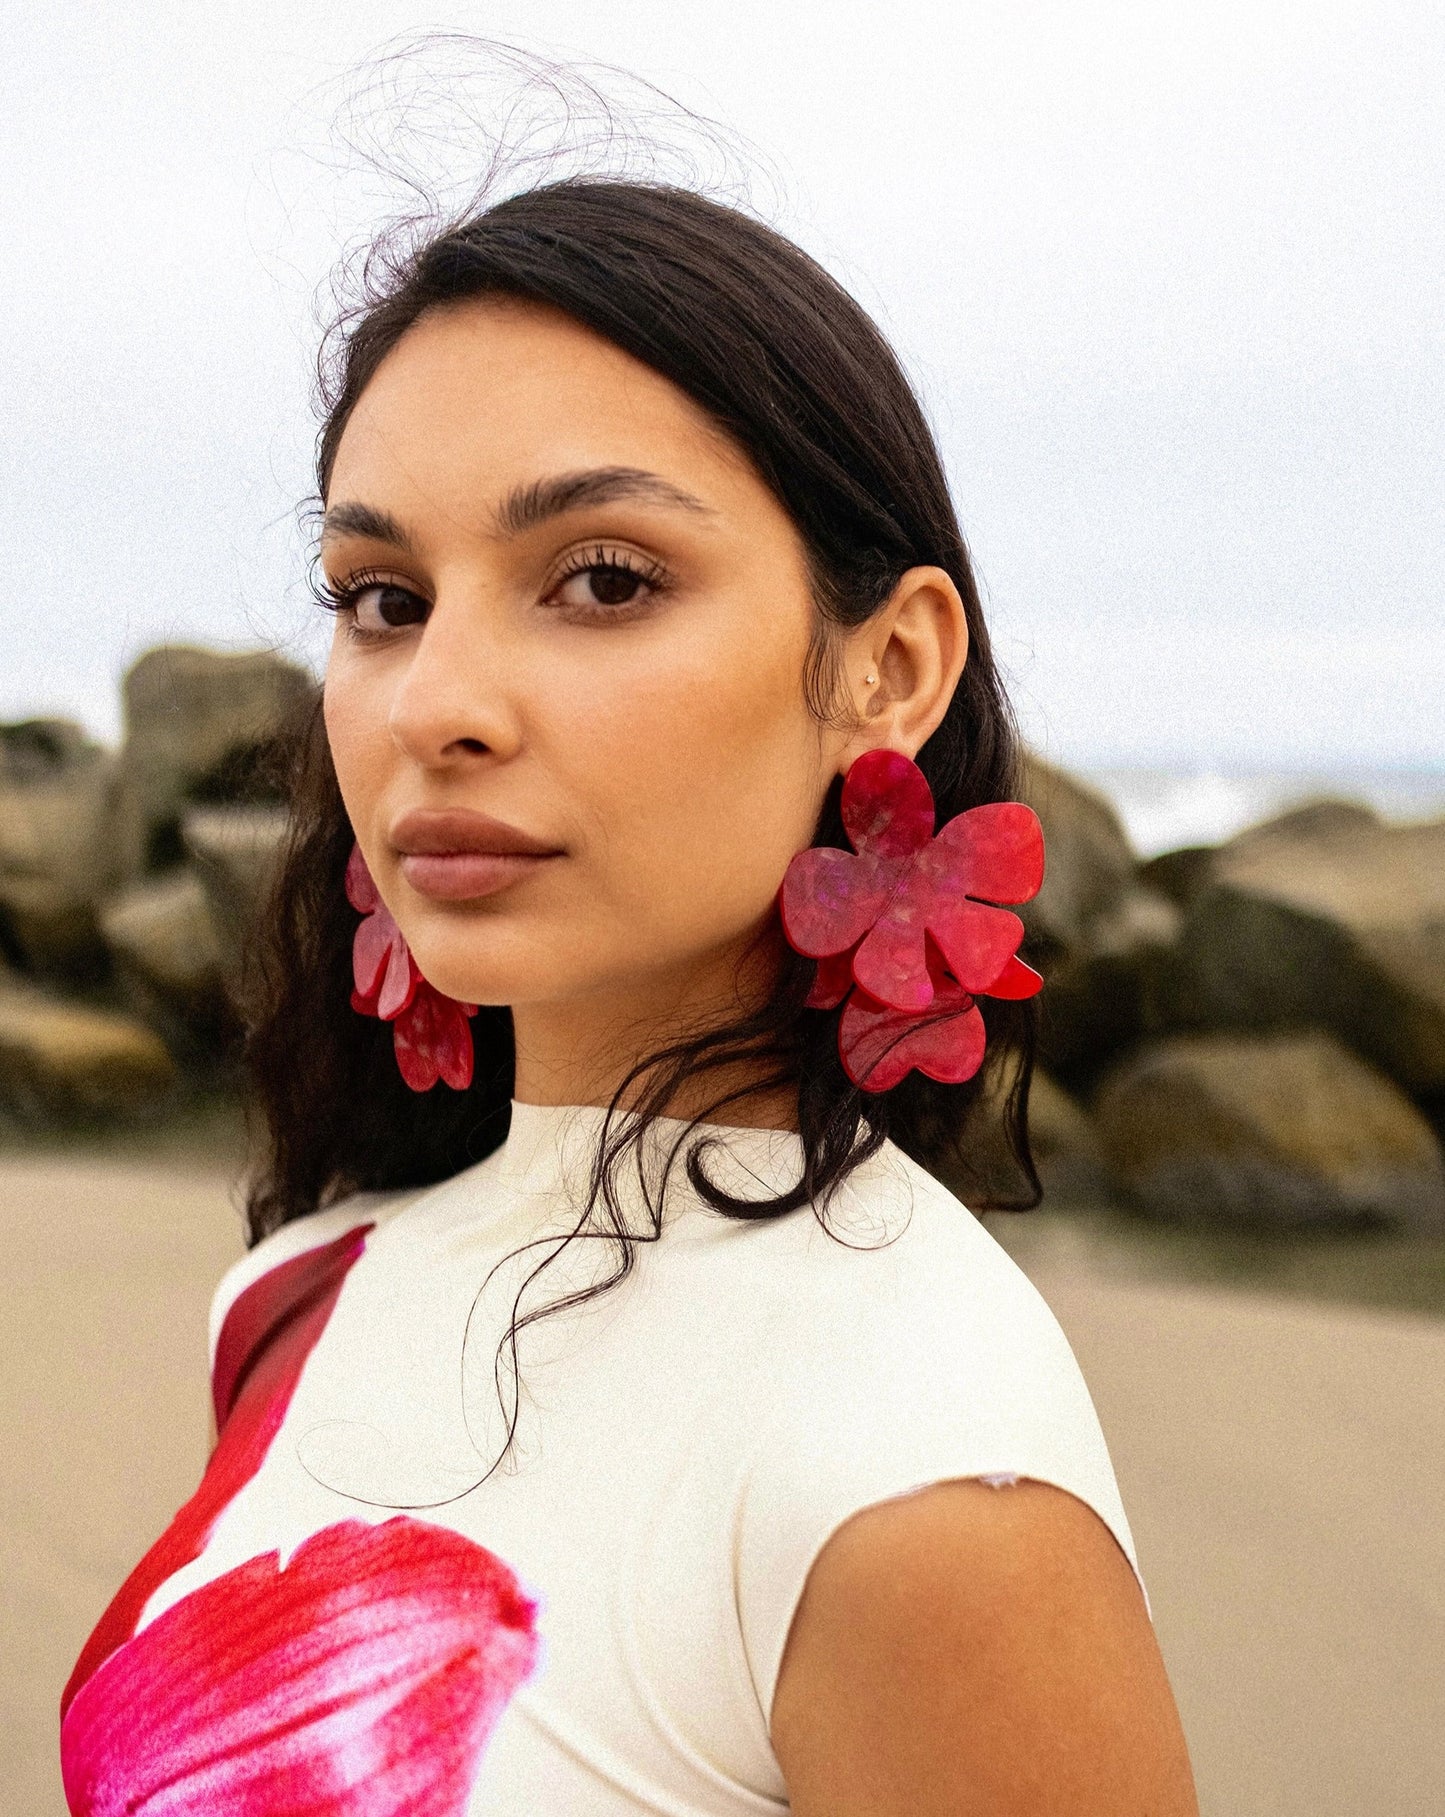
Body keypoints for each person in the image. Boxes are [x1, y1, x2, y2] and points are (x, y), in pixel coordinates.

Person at [59, 177, 1198, 1815]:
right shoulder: (303, 1287)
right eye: (383, 598)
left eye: (602, 579)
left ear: (886, 668)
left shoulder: (925, 1477)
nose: (435, 702)